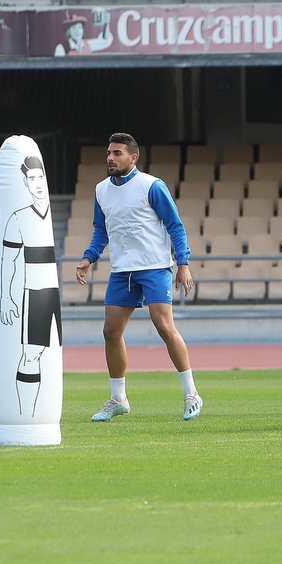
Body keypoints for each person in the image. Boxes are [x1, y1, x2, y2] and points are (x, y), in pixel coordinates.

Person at [75, 133, 202, 422]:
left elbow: (175, 225)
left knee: (164, 326)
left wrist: (182, 263)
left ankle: (191, 393)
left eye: (117, 153)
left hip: (154, 266)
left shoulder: (152, 186)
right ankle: (118, 398)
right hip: (121, 270)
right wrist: (88, 258)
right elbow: (100, 230)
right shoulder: (101, 190)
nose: (110, 157)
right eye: (109, 152)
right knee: (110, 331)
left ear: (133, 158)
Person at [0, 154, 62, 414]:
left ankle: (39, 416)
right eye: (32, 178)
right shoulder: (18, 217)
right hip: (35, 294)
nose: (37, 183)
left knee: (50, 357)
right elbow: (8, 260)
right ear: (25, 183)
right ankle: (26, 416)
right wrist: (4, 297)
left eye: (40, 178)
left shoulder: (48, 217)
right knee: (30, 355)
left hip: (52, 295)